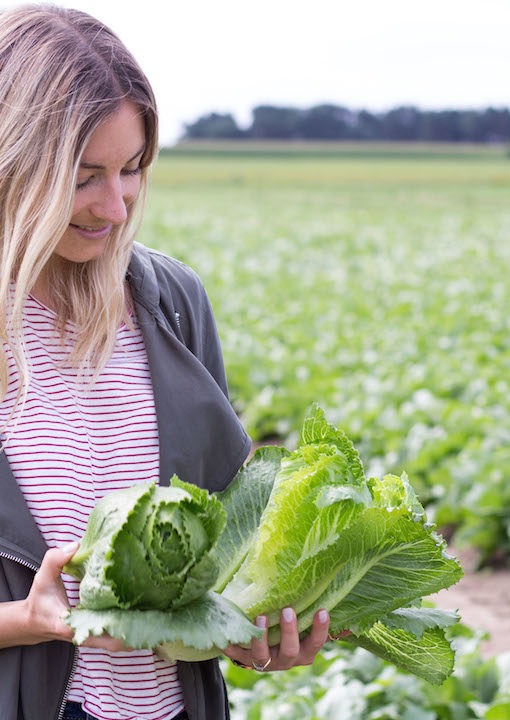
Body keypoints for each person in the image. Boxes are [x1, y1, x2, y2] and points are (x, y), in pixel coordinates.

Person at [0, 5, 330, 720]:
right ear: (16, 158)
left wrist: (250, 627)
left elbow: (216, 547)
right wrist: (26, 620)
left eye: (132, 170)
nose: (114, 207)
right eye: (84, 175)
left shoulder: (173, 301)